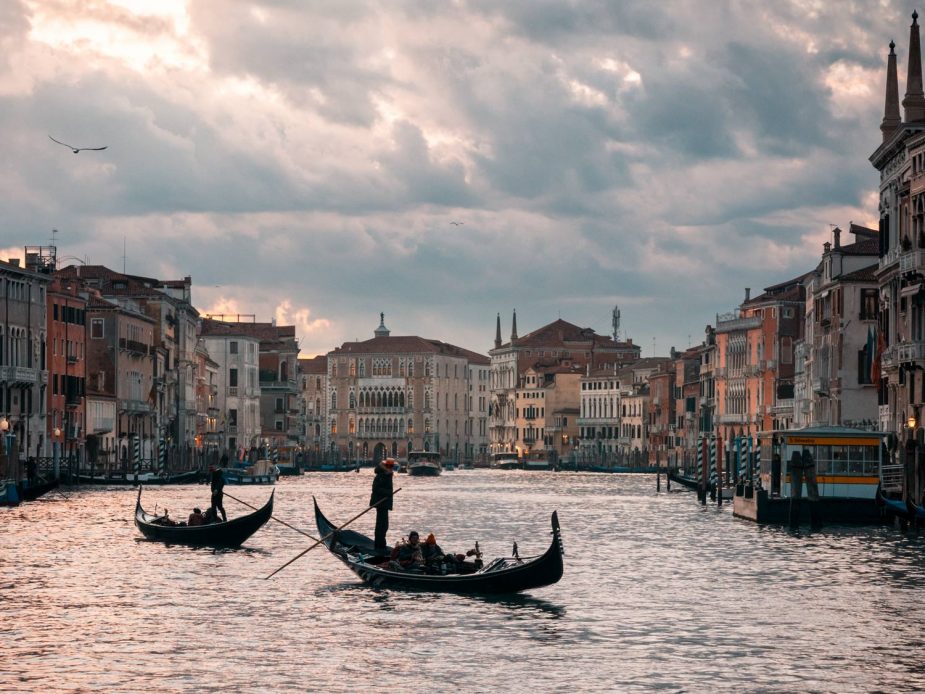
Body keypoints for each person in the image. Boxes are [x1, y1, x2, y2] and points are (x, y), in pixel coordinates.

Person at [370, 457, 395, 550]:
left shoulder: (387, 475)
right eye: (390, 466)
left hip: (385, 504)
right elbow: (375, 488)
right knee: (381, 525)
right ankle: (379, 545)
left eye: (392, 466)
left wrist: (388, 493)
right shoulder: (381, 475)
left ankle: (381, 544)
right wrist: (388, 493)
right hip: (380, 503)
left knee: (384, 525)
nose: (391, 468)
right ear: (386, 466)